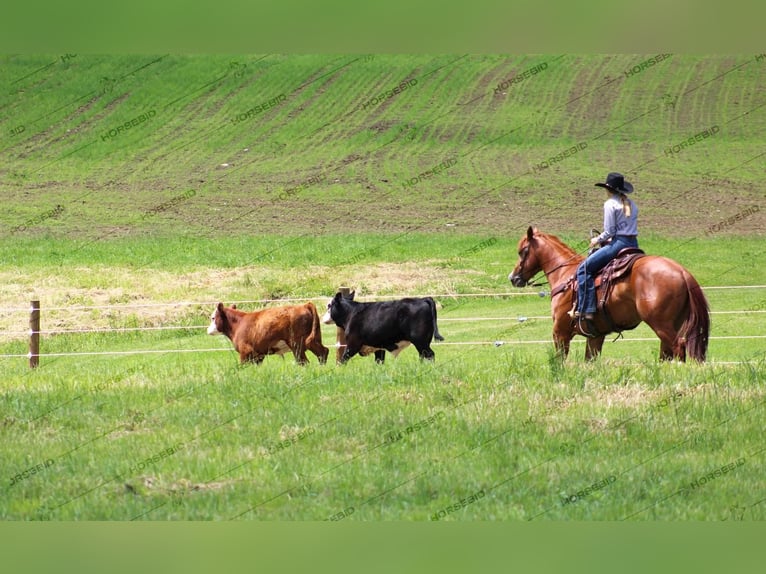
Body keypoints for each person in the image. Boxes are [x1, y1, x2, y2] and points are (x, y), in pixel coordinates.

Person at [573, 172, 639, 320]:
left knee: (583, 269)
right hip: (633, 244)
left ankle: (587, 308)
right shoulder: (631, 204)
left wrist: (597, 239)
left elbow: (610, 231)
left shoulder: (610, 204)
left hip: (619, 244)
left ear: (608, 189)